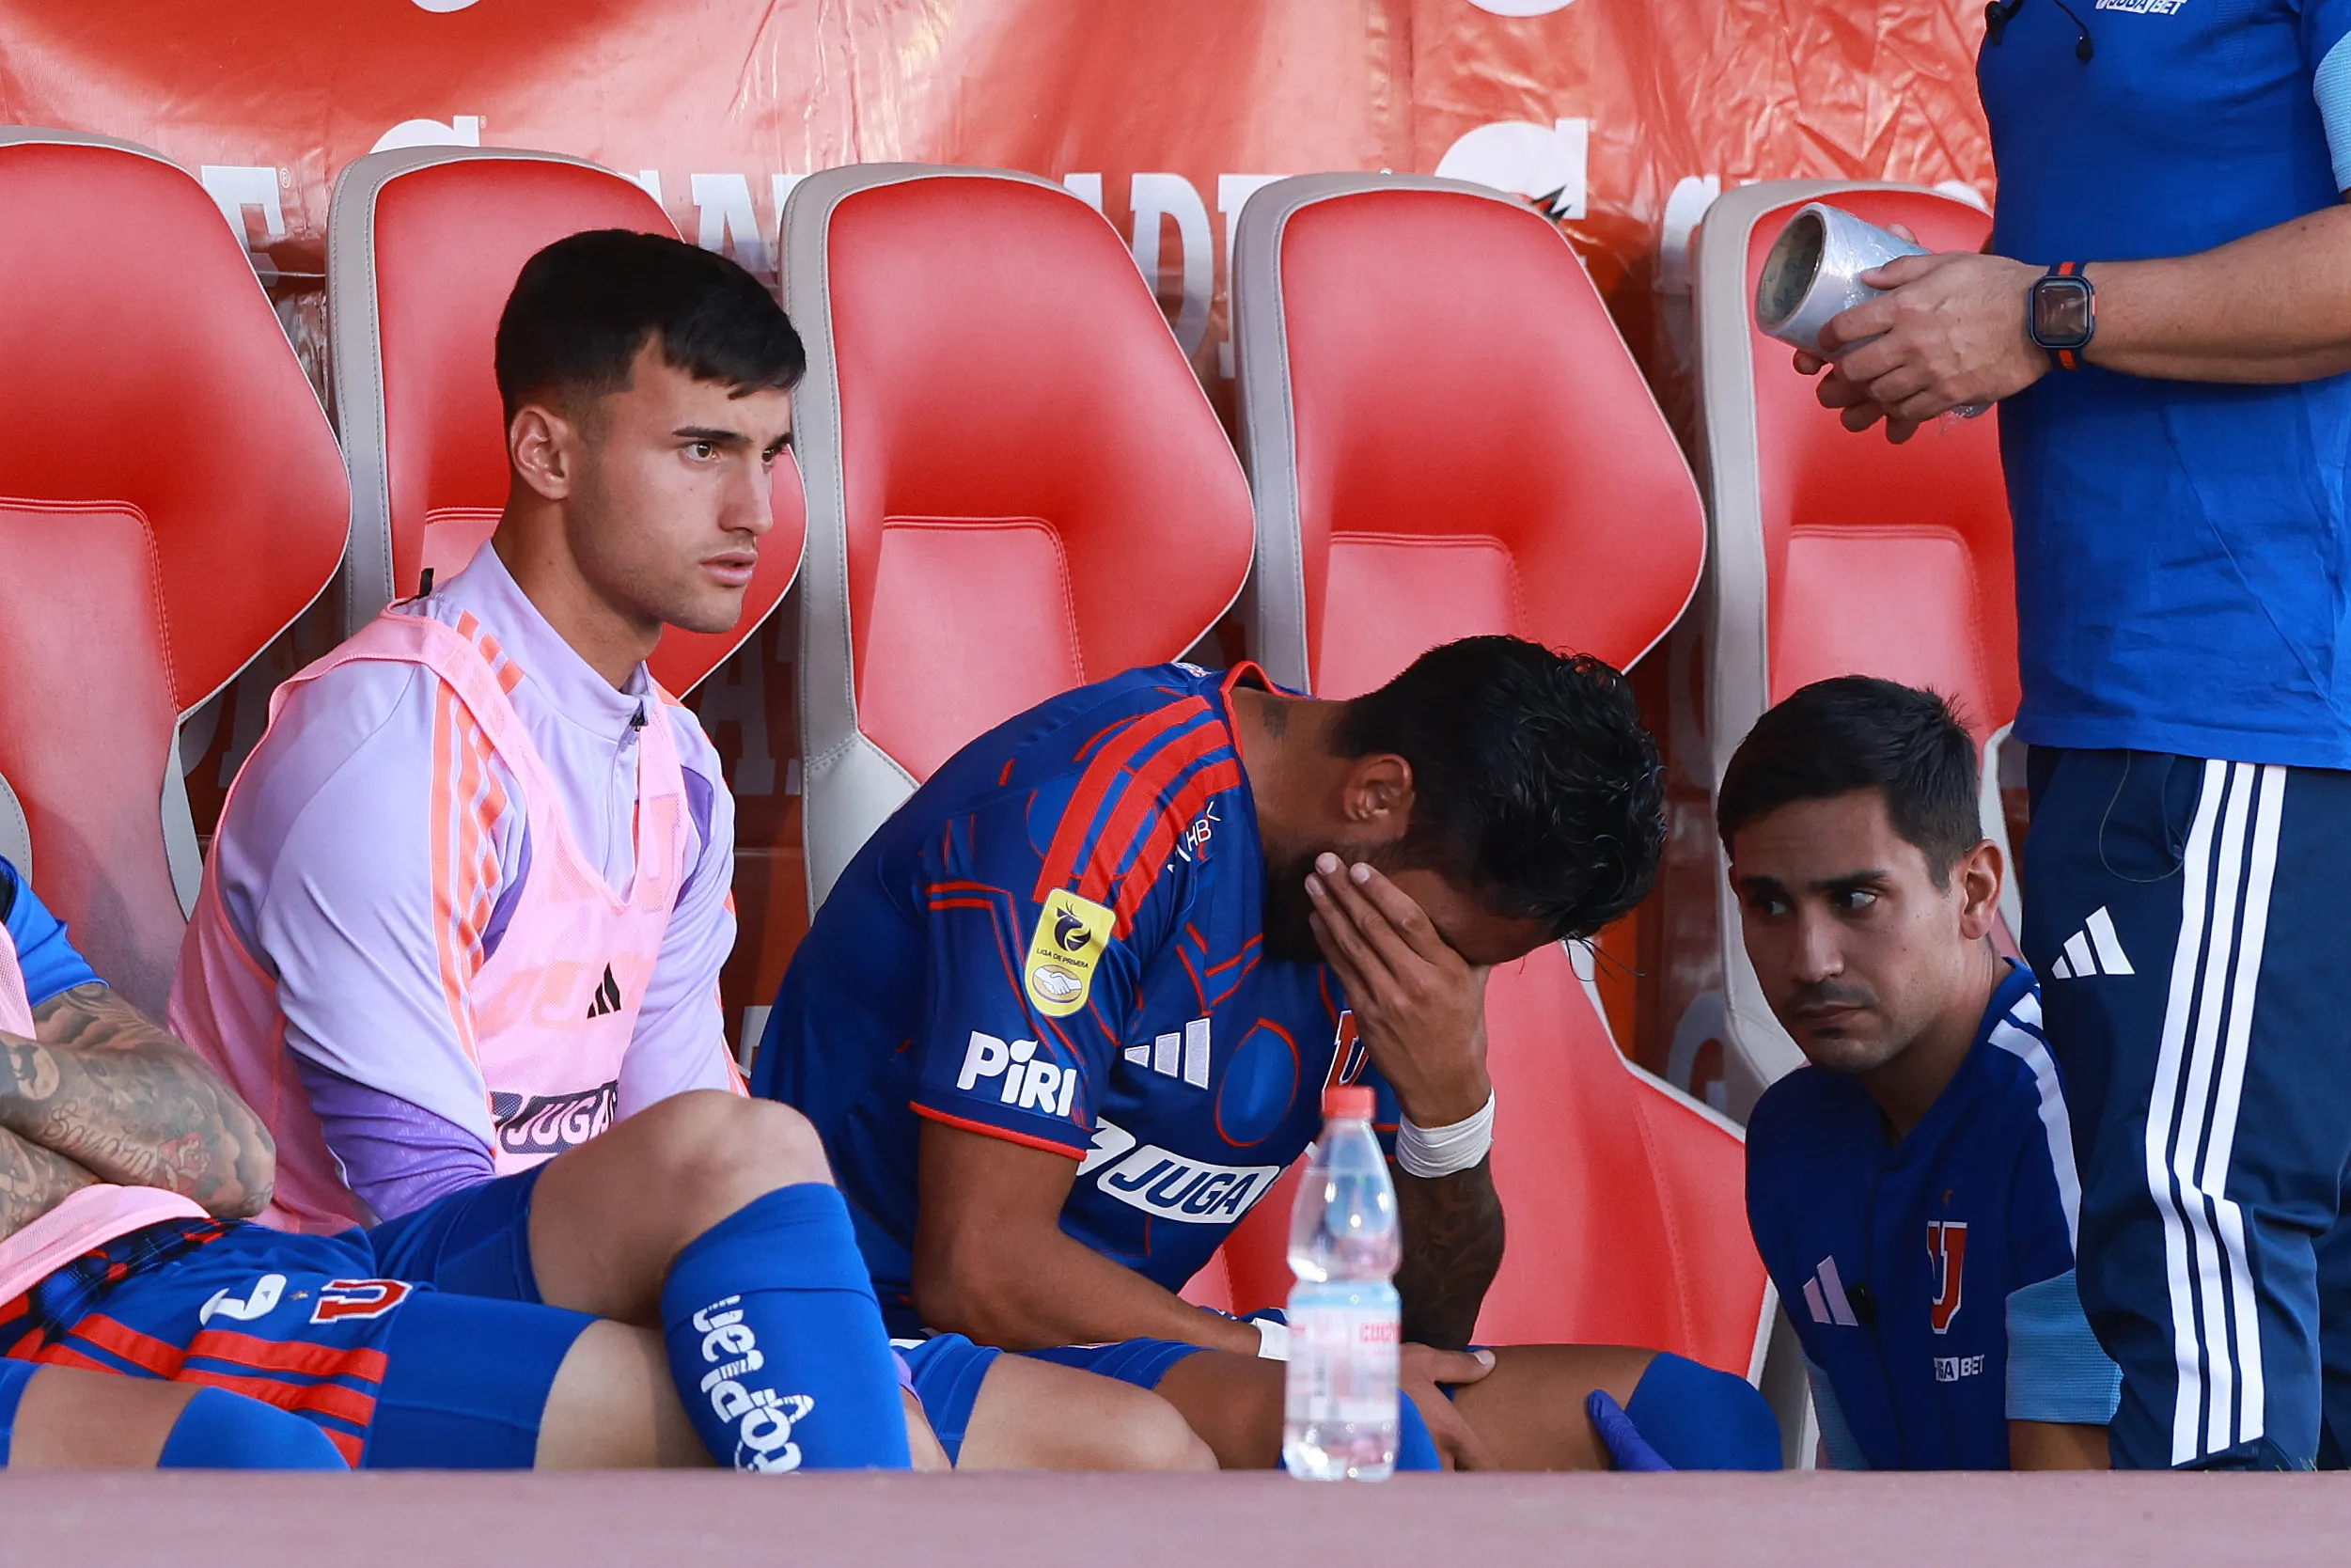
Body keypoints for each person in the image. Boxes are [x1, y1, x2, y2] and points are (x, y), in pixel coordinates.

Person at [170, 227, 1199, 1473]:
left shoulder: (677, 767)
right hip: (331, 1316)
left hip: (576, 1284)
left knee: (1135, 1448)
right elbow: (423, 1202)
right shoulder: (390, 748)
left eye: (768, 454)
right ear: (545, 450)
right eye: (699, 449)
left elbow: (679, 1124)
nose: (751, 512)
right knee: (832, 1333)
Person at [755, 635, 1783, 1471]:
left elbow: (1416, 1323)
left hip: (1152, 1356)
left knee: (1702, 1428)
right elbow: (979, 1271)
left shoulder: (1379, 893)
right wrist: (1288, 1359)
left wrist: (1448, 1115)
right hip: (881, 1340)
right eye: (1452, 942)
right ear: (1377, 794)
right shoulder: (1103, 810)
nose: (1442, 975)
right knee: (1376, 1438)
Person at [1792, 2, 2351, 1471]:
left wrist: (2046, 312)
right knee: (2287, 1266)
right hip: (2137, 690)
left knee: (2192, 1221)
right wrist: (1958, 332)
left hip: (2250, 695)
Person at [0, 855, 909, 1470]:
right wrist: (89, 1132)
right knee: (817, 1416)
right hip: (61, 1311)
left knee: (739, 1151)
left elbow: (229, 1162)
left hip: (223, 1249)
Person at [1725, 677, 2118, 1469]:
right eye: (1767, 905)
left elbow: (2074, 1522)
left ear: (1973, 892)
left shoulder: (2060, 1111)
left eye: (1857, 898)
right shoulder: (1788, 1138)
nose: (1810, 960)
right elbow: (1859, 1472)